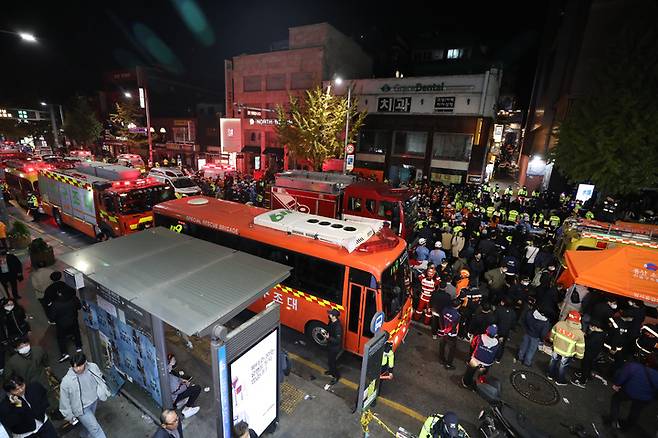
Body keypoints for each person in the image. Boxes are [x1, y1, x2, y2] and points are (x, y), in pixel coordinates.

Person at [4, 338, 60, 418]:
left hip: (42, 380)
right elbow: (8, 378)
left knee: (49, 396)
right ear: (16, 349)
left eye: (25, 344)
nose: (24, 347)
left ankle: (54, 411)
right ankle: (48, 413)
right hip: (28, 386)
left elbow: (46, 362)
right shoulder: (12, 363)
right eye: (20, 347)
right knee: (37, 401)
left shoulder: (38, 350)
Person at [59, 353, 110, 438]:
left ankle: (84, 435)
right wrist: (69, 416)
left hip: (94, 401)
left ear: (85, 362)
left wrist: (103, 391)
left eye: (79, 366)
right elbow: (64, 401)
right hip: (82, 409)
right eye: (74, 367)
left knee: (89, 424)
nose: (77, 369)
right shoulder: (66, 381)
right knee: (95, 428)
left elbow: (99, 378)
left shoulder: (93, 367)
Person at [605, 358, 658, 432]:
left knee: (616, 399)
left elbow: (621, 376)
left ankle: (613, 420)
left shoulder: (634, 366)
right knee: (636, 411)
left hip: (629, 391)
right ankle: (626, 427)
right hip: (645, 398)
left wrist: (617, 384)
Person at [547, 311, 585, 385]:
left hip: (556, 348)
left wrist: (551, 340)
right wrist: (580, 356)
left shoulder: (560, 324)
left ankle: (550, 375)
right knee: (563, 366)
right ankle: (560, 380)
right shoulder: (579, 333)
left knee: (553, 361)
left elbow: (552, 333)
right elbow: (580, 346)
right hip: (567, 353)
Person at [50, 286, 83, 363]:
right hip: (74, 320)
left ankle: (64, 353)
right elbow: (79, 307)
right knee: (76, 333)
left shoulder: (56, 304)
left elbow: (52, 317)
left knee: (61, 338)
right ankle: (78, 346)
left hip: (61, 324)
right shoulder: (74, 299)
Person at [462, 325, 499, 391]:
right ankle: (478, 386)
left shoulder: (479, 337)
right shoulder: (497, 343)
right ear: (495, 334)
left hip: (476, 358)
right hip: (486, 363)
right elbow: (496, 354)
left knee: (470, 372)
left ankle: (466, 383)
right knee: (482, 375)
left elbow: (473, 345)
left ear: (486, 330)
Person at [571, 322, 606, 388]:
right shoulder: (603, 334)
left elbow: (587, 343)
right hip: (594, 353)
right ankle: (587, 376)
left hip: (588, 353)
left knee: (585, 366)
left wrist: (584, 337)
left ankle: (582, 381)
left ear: (595, 327)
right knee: (589, 365)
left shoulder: (595, 334)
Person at [438, 299, 461, 370]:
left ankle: (441, 359)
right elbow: (453, 326)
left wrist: (443, 329)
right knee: (452, 350)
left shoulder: (445, 309)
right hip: (451, 335)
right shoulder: (457, 315)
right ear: (458, 306)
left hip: (443, 331)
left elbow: (441, 319)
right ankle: (448, 364)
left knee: (442, 345)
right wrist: (449, 332)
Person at [493, 297, 516, 363]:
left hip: (497, 330)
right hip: (505, 332)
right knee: (501, 345)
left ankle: (491, 356)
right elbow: (513, 324)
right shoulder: (513, 313)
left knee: (493, 343)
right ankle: (498, 358)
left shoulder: (499, 310)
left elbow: (494, 320)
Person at [325, 309, 343, 385]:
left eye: (330, 314)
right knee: (329, 361)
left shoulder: (338, 327)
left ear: (334, 316)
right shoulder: (331, 321)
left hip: (334, 348)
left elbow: (338, 340)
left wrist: (328, 338)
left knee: (332, 363)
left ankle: (336, 376)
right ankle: (331, 371)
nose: (329, 315)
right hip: (330, 345)